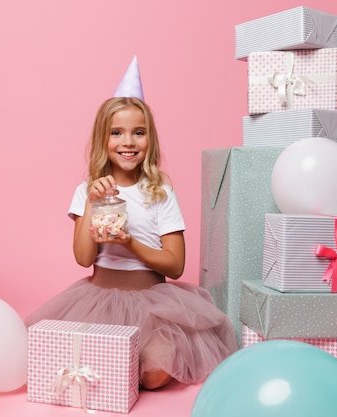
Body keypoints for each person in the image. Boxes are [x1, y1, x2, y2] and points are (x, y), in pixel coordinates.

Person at [25, 58, 237, 390]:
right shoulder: (89, 190)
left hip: (154, 301)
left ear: (149, 139)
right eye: (117, 133)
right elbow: (83, 258)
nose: (128, 142)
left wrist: (129, 242)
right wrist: (92, 204)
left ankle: (126, 366)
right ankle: (113, 368)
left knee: (152, 377)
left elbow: (176, 265)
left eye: (138, 133)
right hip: (99, 298)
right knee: (88, 362)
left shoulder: (159, 191)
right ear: (103, 139)